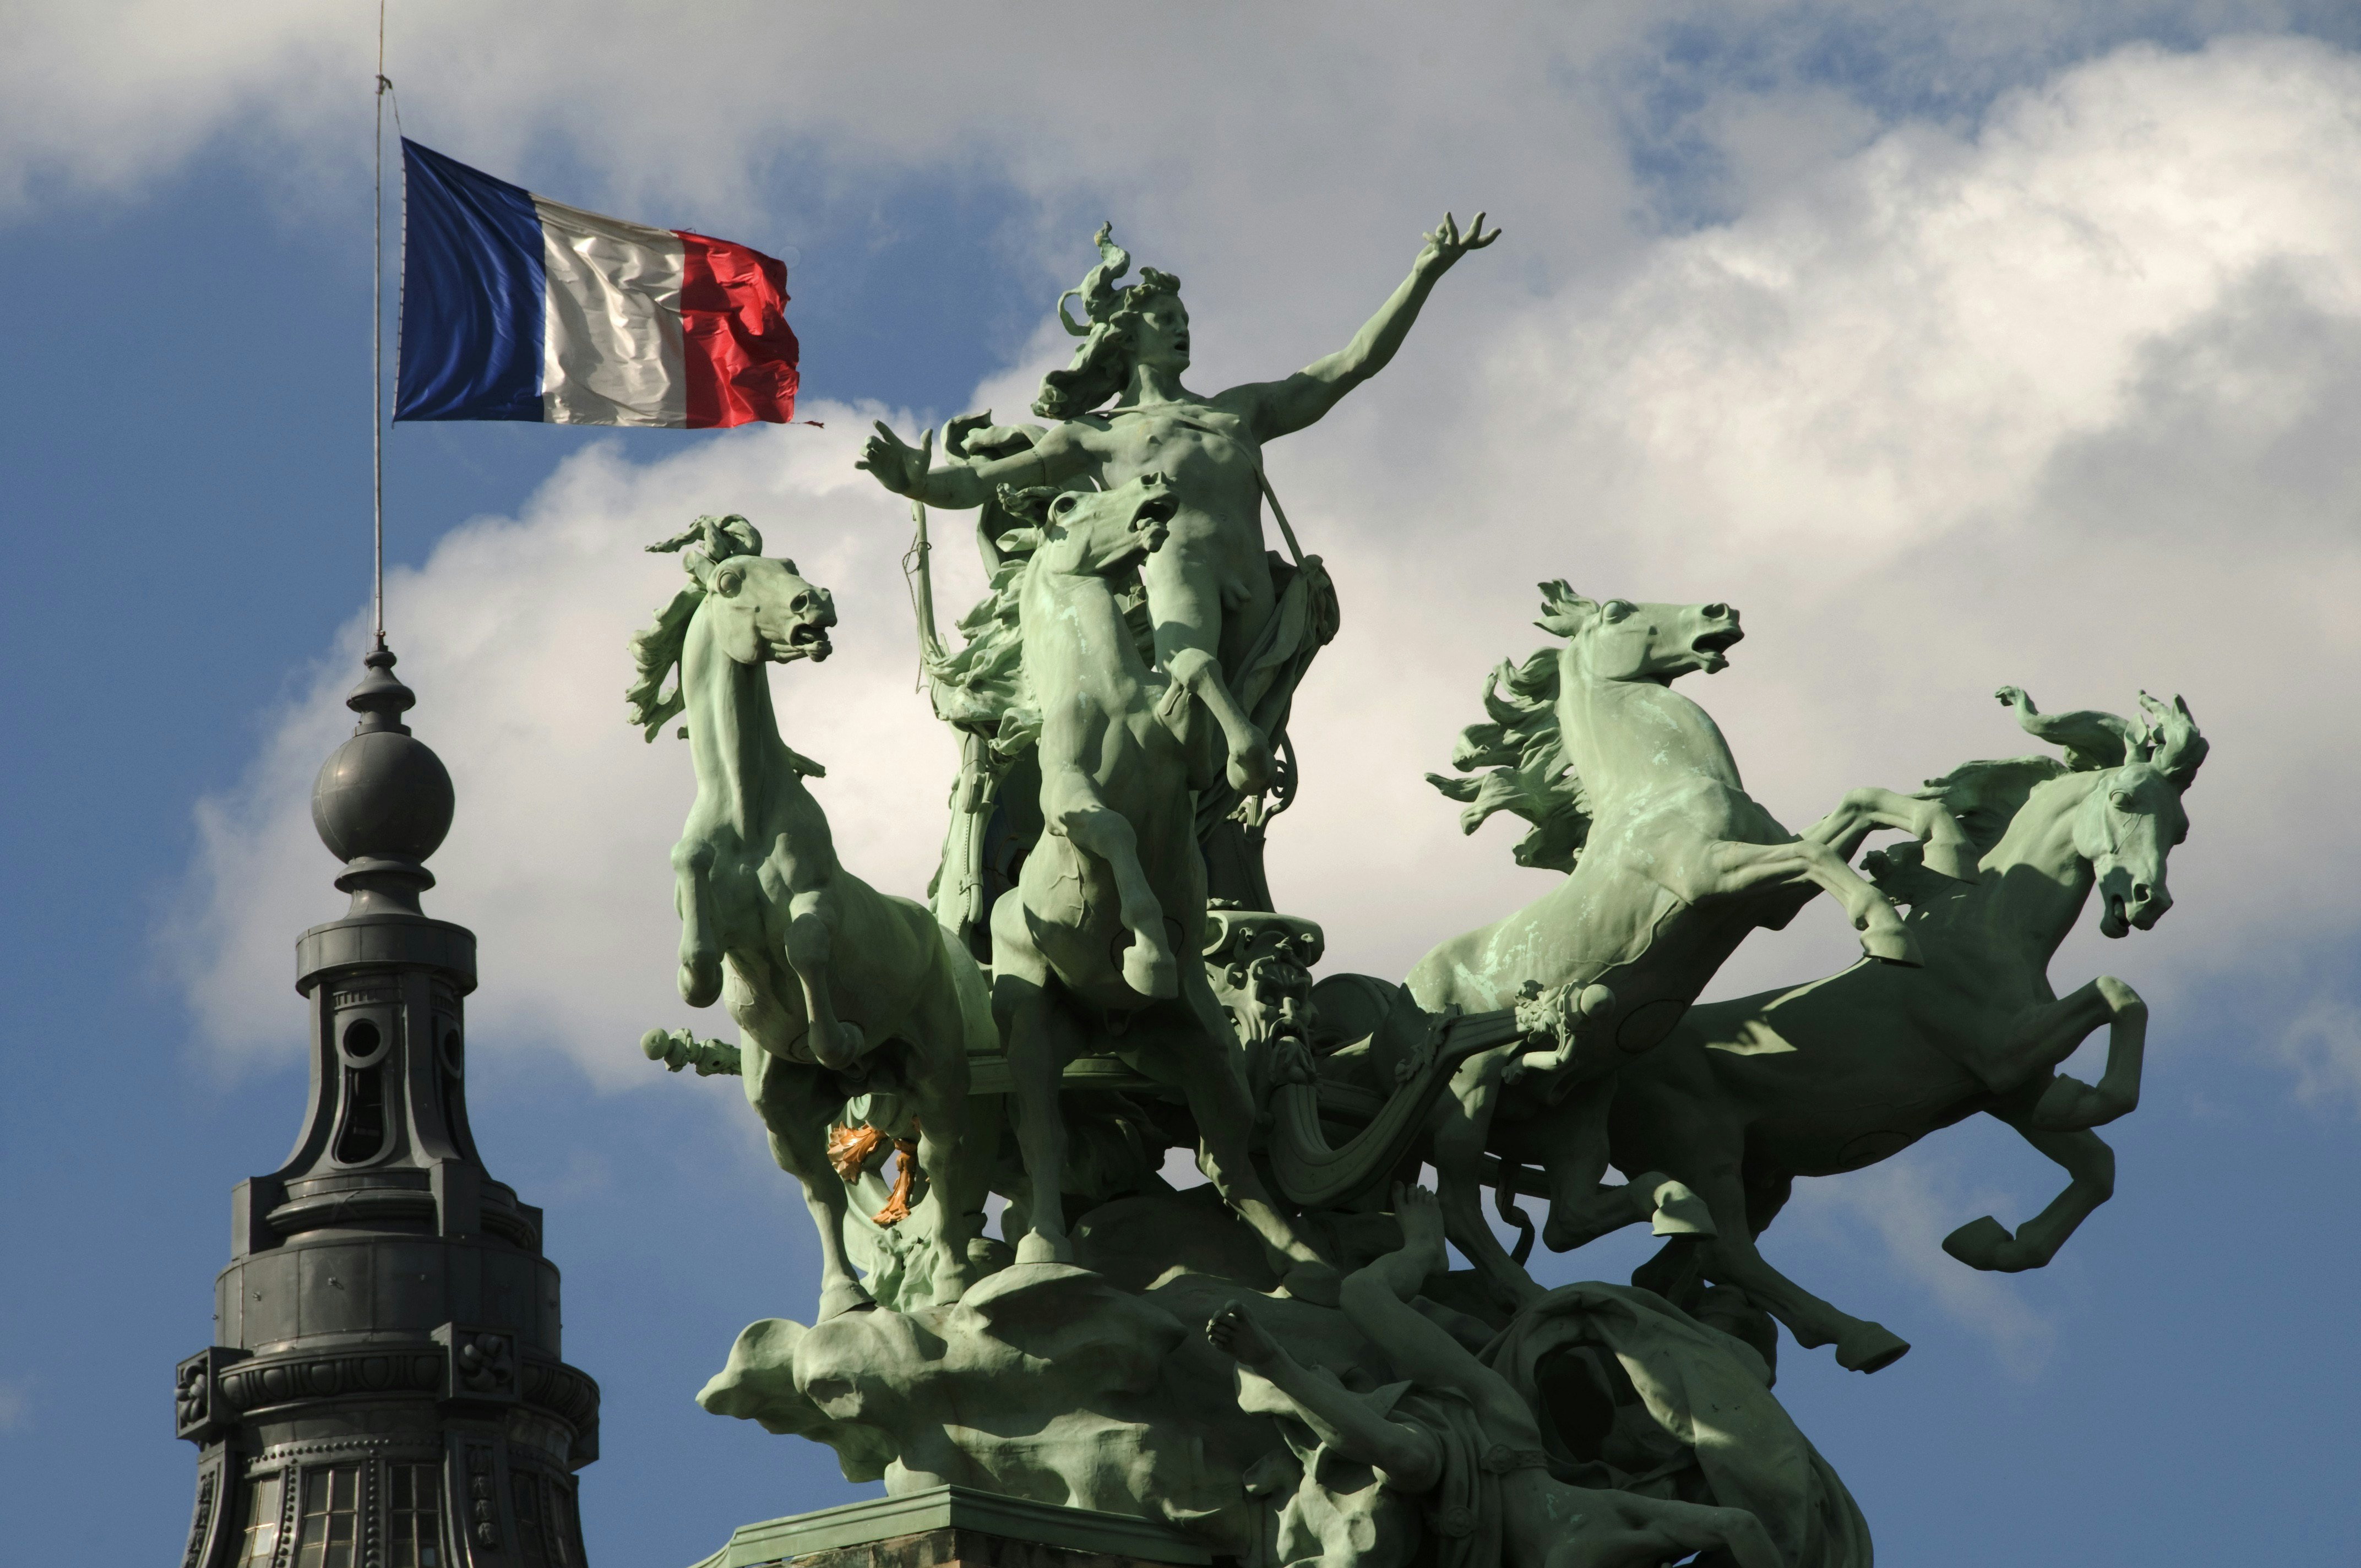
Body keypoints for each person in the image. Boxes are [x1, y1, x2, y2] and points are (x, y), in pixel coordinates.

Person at [858, 214, 1499, 842]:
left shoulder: (1238, 411)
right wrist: (913, 483)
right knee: (1192, 676)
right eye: (1167, 322)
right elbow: (985, 481)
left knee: (1217, 744)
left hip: (1255, 583)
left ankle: (1182, 839)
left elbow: (1350, 365)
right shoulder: (1097, 434)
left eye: (1186, 323)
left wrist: (1422, 276)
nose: (1182, 332)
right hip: (1178, 568)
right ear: (1127, 337)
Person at [1206, 1185, 1782, 1568]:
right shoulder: (1607, 1539)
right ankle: (1419, 1252)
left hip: (1456, 1497)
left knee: (1406, 1459)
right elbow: (1738, 1525)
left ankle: (1272, 1361)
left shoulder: (1612, 1538)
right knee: (1364, 1301)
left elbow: (1738, 1526)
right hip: (1494, 1436)